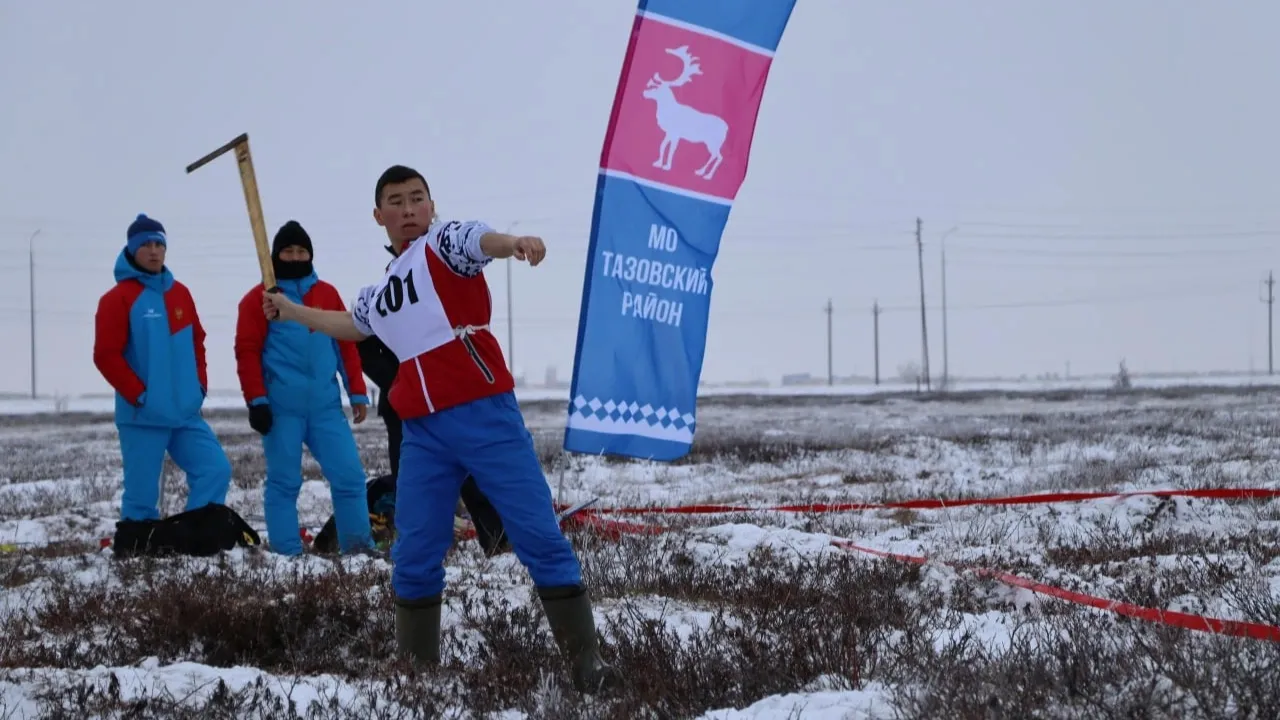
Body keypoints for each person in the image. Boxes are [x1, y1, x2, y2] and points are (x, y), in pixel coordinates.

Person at [261, 165, 616, 694]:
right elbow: (351, 325)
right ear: (378, 216)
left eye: (417, 199)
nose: (408, 210)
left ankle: (589, 669)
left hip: (483, 414)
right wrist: (291, 311)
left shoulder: (444, 245)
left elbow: (479, 239)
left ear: (431, 206)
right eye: (396, 202)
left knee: (538, 535)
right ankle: (417, 678)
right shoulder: (380, 289)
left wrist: (513, 242)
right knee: (415, 551)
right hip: (422, 430)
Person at [234, 220, 375, 556]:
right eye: (288, 251)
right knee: (284, 482)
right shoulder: (260, 299)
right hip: (282, 410)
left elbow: (346, 344)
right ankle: (287, 553)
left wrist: (356, 391)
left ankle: (358, 548)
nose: (295, 257)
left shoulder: (326, 294)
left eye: (302, 251)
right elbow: (247, 352)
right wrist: (257, 401)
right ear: (275, 255)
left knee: (350, 478)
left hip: (326, 407)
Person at [93, 213, 232, 525]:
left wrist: (199, 387)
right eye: (146, 245)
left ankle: (197, 534)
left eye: (159, 244)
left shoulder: (180, 293)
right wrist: (140, 396)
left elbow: (198, 340)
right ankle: (137, 555)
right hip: (142, 416)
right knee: (142, 497)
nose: (154, 250)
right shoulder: (117, 300)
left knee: (215, 469)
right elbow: (105, 355)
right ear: (132, 250)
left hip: (184, 413)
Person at [358, 313, 511, 557]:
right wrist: (402, 383)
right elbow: (363, 348)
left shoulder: (440, 298)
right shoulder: (384, 300)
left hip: (449, 401)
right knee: (411, 483)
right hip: (404, 410)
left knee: (471, 473)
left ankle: (497, 541)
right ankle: (418, 551)